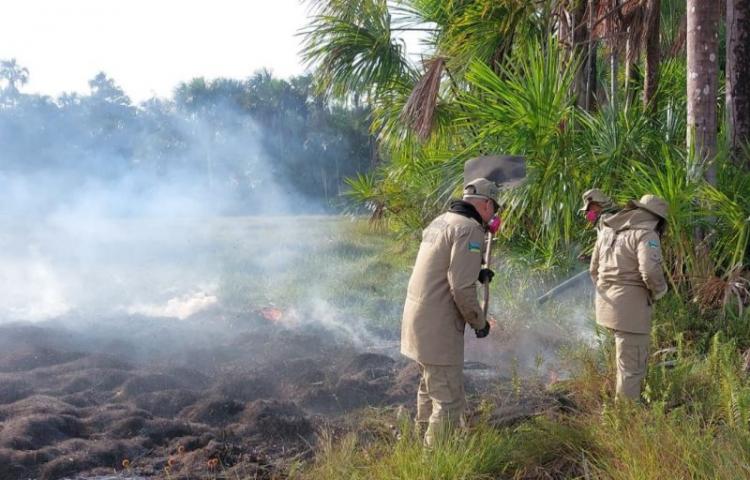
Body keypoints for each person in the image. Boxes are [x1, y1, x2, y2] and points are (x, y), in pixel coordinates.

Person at [400, 177, 498, 446]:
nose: (493, 217)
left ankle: (421, 443)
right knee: (449, 402)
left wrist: (476, 270)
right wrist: (479, 322)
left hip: (417, 320)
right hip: (438, 327)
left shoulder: (441, 221)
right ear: (487, 205)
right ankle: (434, 462)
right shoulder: (469, 229)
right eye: (495, 210)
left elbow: (445, 268)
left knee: (428, 389)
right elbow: (461, 289)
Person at [590, 194, 669, 401]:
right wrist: (659, 291)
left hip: (606, 306)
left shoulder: (608, 230)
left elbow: (593, 269)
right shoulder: (646, 234)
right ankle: (626, 421)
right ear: (658, 218)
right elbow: (650, 271)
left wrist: (607, 290)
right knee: (632, 369)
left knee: (623, 362)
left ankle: (620, 409)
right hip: (631, 312)